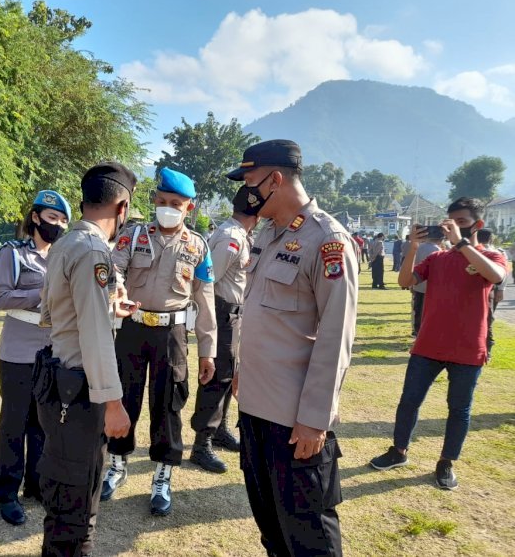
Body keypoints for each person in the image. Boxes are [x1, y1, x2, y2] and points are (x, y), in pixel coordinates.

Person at [231, 139, 359, 556]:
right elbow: (259, 315)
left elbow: (335, 336)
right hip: (254, 410)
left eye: (250, 181)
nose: (247, 191)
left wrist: (314, 420)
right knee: (272, 529)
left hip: (293, 421)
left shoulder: (327, 240)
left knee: (309, 538)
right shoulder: (270, 235)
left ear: (276, 179)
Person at [101, 167, 216, 516]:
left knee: (168, 405)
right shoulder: (133, 236)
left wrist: (208, 352)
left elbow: (206, 299)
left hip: (173, 334)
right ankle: (117, 465)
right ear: (154, 200)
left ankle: (163, 476)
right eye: (163, 201)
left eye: (176, 203)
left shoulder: (198, 246)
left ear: (189, 208)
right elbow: (113, 267)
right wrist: (117, 286)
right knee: (125, 397)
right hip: (133, 328)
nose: (168, 207)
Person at [369, 198, 507, 490]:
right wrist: (414, 248)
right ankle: (399, 451)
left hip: (468, 349)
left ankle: (446, 462)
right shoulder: (437, 259)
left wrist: (461, 244)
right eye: (450, 222)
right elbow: (405, 281)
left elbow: (495, 277)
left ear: (477, 225)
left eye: (462, 222)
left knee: (459, 409)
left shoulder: (491, 257)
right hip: (428, 345)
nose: (453, 228)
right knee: (409, 401)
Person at [36, 162, 137, 556]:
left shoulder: (64, 243)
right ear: (122, 206)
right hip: (78, 394)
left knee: (63, 495)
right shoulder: (94, 249)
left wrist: (110, 310)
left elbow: (52, 313)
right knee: (77, 512)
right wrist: (113, 404)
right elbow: (93, 335)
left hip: (58, 378)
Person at [0, 190, 71, 526]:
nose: (57, 226)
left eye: (63, 221)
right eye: (52, 218)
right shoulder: (13, 253)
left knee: (42, 424)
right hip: (18, 353)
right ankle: (7, 492)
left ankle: (36, 485)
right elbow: (1, 298)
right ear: (36, 218)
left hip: (50, 352)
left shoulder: (62, 256)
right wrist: (41, 294)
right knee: (14, 424)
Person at [189, 204, 257, 473]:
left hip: (233, 314)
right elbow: (210, 277)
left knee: (229, 374)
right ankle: (201, 443)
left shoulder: (237, 233)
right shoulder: (231, 236)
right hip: (222, 312)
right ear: (257, 212)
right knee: (217, 377)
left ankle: (219, 430)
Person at [476, 228, 509, 361]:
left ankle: (487, 348)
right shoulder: (480, 251)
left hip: (489, 289)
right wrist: (501, 289)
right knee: (486, 319)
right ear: (490, 238)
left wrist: (500, 289)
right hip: (489, 289)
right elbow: (506, 273)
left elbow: (503, 272)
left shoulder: (495, 253)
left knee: (486, 319)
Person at [410, 232, 443, 337]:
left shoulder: (418, 247)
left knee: (417, 308)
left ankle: (416, 330)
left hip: (417, 282)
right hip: (430, 286)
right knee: (427, 311)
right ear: (440, 239)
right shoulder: (438, 250)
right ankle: (424, 331)